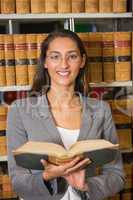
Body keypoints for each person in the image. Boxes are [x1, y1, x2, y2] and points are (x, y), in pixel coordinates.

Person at [6, 29, 125, 200]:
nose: (64, 65)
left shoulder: (101, 109)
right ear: (45, 62)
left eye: (72, 56)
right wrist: (47, 177)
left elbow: (116, 174)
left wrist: (86, 186)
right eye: (55, 57)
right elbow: (17, 181)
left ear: (82, 61)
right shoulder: (19, 110)